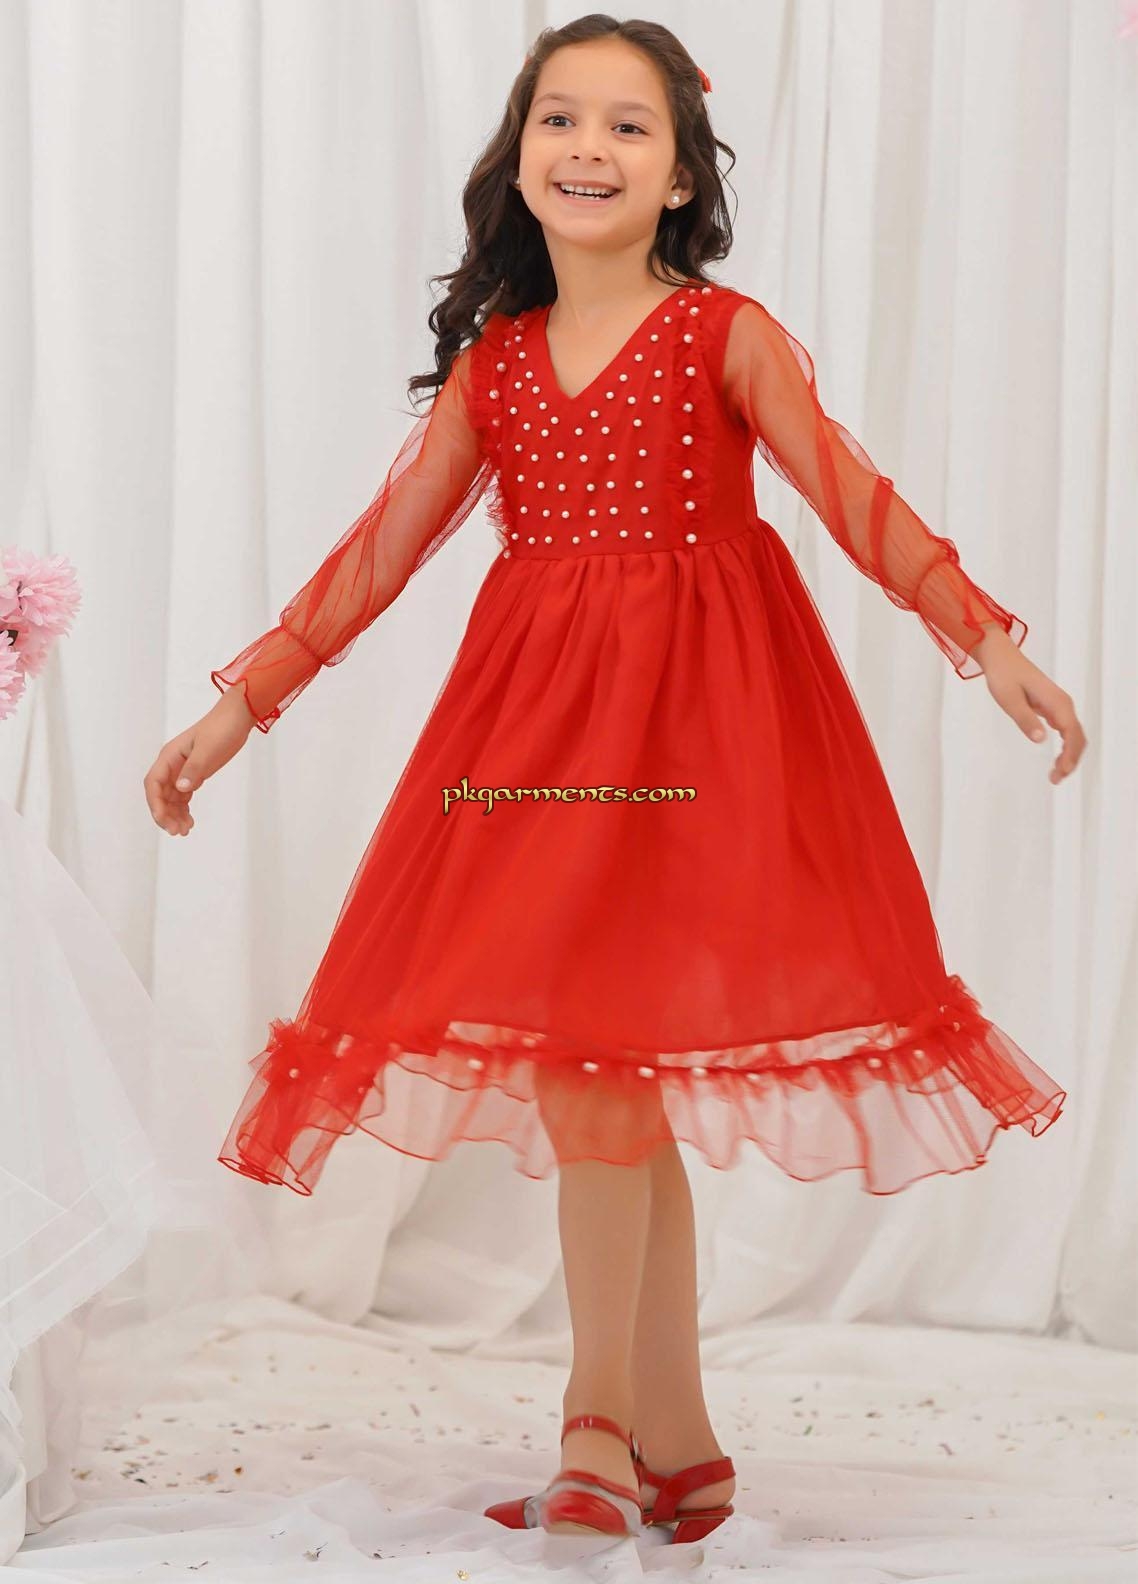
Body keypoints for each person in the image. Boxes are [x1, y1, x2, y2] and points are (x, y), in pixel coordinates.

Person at [143, 15, 1084, 1546]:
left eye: (627, 126)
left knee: (599, 1078)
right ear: (518, 155)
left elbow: (853, 497)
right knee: (605, 1085)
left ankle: (597, 1430)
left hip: (703, 748)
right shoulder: (497, 367)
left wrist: (987, 644)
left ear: (680, 176)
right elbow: (379, 554)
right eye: (560, 119)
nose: (588, 147)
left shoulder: (724, 336)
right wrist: (235, 710)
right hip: (534, 754)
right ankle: (680, 1443)